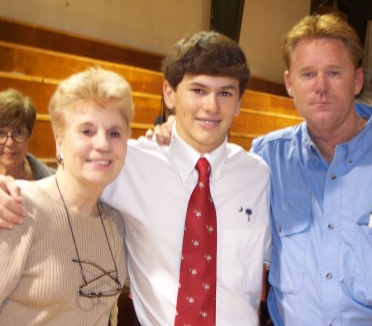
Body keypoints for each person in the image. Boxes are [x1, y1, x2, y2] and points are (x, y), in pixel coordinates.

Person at [0, 31, 271, 326]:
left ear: (240, 101)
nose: (211, 106)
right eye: (197, 90)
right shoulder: (129, 162)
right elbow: (64, 186)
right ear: (169, 93)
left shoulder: (259, 176)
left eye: (225, 93)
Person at [250, 14, 372, 326]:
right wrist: (168, 134)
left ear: (356, 81)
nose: (320, 86)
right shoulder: (266, 158)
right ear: (290, 83)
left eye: (333, 72)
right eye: (307, 74)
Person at [0, 67, 132, 325]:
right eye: (87, 131)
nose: (103, 144)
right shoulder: (17, 210)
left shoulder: (116, 222)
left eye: (114, 132)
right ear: (59, 142)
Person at [0, 88, 54, 180]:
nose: (10, 143)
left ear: (30, 135)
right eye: (1, 133)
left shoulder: (50, 180)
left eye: (19, 132)